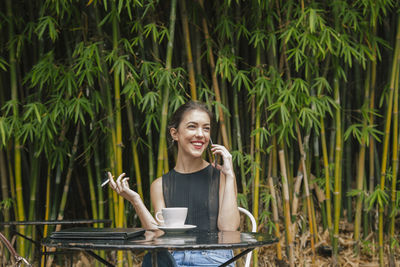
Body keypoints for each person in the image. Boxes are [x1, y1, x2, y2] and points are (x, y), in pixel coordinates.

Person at [108, 101, 240, 266]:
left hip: (213, 259)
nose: (201, 134)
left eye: (206, 128)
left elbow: (229, 229)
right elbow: (159, 238)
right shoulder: (160, 185)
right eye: (192, 127)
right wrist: (136, 200)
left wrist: (230, 176)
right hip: (173, 259)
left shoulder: (222, 176)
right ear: (174, 133)